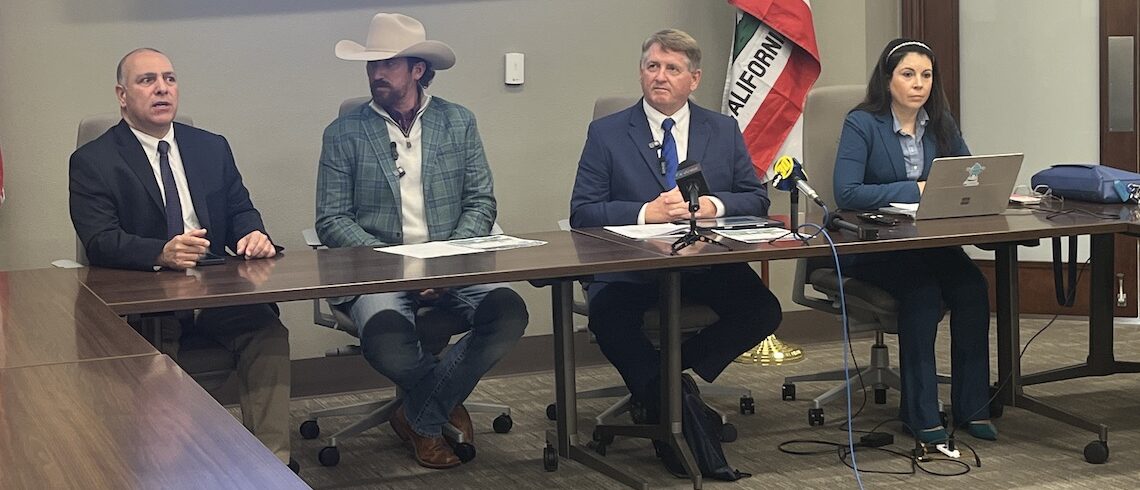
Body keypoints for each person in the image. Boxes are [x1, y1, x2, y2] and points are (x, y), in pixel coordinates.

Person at [316, 13, 528, 470]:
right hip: (379, 270)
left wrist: (444, 263)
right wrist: (403, 267)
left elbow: (480, 202)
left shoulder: (459, 122)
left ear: (417, 70)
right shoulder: (343, 133)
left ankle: (418, 415)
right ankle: (438, 403)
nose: (376, 74)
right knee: (385, 337)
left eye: (387, 64)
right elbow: (332, 220)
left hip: (453, 262)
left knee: (508, 311)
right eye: (372, 65)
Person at [68, 48, 296, 470]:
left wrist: (253, 233)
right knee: (157, 380)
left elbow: (241, 208)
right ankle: (166, 468)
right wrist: (160, 252)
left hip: (217, 292)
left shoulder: (211, 147)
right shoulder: (93, 161)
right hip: (150, 303)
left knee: (267, 334)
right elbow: (100, 240)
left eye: (169, 79)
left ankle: (271, 467)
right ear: (122, 95)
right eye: (147, 80)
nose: (161, 89)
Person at [569, 28, 782, 473]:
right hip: (631, 266)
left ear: (694, 79)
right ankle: (675, 405)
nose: (660, 76)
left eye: (672, 68)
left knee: (762, 310)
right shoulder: (607, 132)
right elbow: (583, 213)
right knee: (610, 319)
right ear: (641, 73)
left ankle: (663, 383)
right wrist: (646, 211)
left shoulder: (721, 129)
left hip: (702, 261)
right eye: (652, 66)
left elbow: (756, 198)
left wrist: (714, 204)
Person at [833, 38, 997, 443]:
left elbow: (967, 172)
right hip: (879, 245)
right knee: (922, 295)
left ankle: (972, 407)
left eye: (926, 75)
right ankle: (920, 414)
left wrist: (986, 181)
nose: (918, 84)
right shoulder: (862, 123)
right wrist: (918, 189)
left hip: (931, 241)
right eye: (908, 74)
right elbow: (847, 193)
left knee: (973, 289)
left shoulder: (941, 122)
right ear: (888, 79)